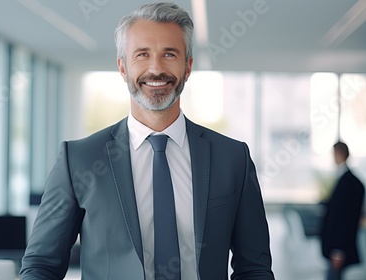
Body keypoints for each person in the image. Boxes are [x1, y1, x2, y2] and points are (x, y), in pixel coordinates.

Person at [20, 2, 274, 279]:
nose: (156, 69)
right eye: (142, 54)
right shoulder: (79, 159)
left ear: (187, 67)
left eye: (169, 54)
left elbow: (254, 268)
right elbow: (41, 266)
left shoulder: (232, 158)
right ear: (122, 67)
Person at [320, 141, 365, 280]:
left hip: (340, 247)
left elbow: (344, 219)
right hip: (337, 245)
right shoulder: (345, 179)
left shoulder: (350, 183)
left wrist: (339, 249)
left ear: (339, 154)